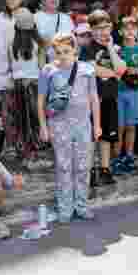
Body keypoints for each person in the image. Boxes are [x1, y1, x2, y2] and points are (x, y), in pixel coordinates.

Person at [38, 33, 100, 222]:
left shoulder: (87, 69)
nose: (62, 55)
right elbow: (40, 100)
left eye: (66, 51)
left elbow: (94, 98)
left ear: (75, 50)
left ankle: (81, 205)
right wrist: (43, 127)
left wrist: (97, 124)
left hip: (82, 124)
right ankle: (65, 208)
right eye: (58, 52)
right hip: (59, 125)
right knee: (64, 166)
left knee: (83, 166)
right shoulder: (48, 70)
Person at [80, 10, 125, 187]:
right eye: (98, 28)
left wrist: (110, 49)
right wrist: (115, 73)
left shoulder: (114, 47)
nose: (102, 32)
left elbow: (122, 68)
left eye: (106, 27)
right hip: (93, 98)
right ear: (91, 30)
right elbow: (93, 69)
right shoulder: (87, 48)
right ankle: (91, 171)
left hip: (109, 97)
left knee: (107, 135)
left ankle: (105, 169)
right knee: (92, 135)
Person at [0, 0, 25, 159]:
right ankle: (10, 144)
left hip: (25, 70)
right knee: (7, 109)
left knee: (23, 109)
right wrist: (3, 70)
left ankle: (22, 144)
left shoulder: (26, 16)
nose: (12, 0)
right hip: (4, 70)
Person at [7, 8, 43, 167]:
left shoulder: (11, 44)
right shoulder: (38, 43)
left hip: (18, 85)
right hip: (34, 85)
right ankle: (34, 155)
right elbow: (42, 67)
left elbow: (11, 65)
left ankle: (24, 154)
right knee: (35, 120)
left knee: (21, 120)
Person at [116, 16, 138, 174]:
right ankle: (117, 157)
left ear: (137, 30)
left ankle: (129, 155)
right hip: (119, 91)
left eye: (133, 28)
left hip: (135, 91)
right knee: (119, 126)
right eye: (126, 28)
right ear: (120, 31)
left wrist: (137, 70)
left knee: (131, 126)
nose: (129, 31)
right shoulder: (116, 49)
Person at [35, 0, 74, 64]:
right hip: (43, 60)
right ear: (43, 1)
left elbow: (72, 38)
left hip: (63, 60)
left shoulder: (66, 18)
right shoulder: (36, 18)